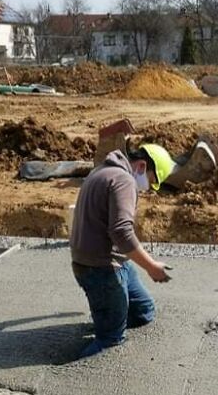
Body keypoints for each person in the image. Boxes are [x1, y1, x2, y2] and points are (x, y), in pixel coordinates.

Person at [70, 144, 174, 358]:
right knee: (110, 339)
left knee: (144, 312)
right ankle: (88, 356)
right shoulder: (124, 181)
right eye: (152, 181)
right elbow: (121, 232)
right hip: (100, 269)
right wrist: (151, 267)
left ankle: (107, 314)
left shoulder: (103, 169)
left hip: (114, 260)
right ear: (142, 165)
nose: (149, 187)